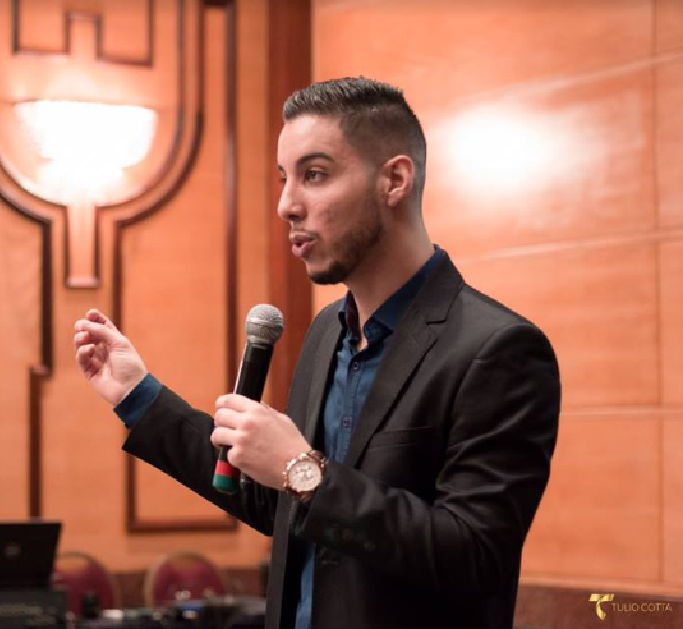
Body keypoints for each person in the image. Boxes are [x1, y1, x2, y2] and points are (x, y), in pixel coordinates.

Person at [74, 77, 561, 629]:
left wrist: (302, 470)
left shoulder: (497, 349)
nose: (286, 205)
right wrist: (138, 396)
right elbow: (287, 506)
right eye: (284, 179)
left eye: (315, 175)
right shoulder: (327, 332)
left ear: (394, 180)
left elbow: (474, 555)